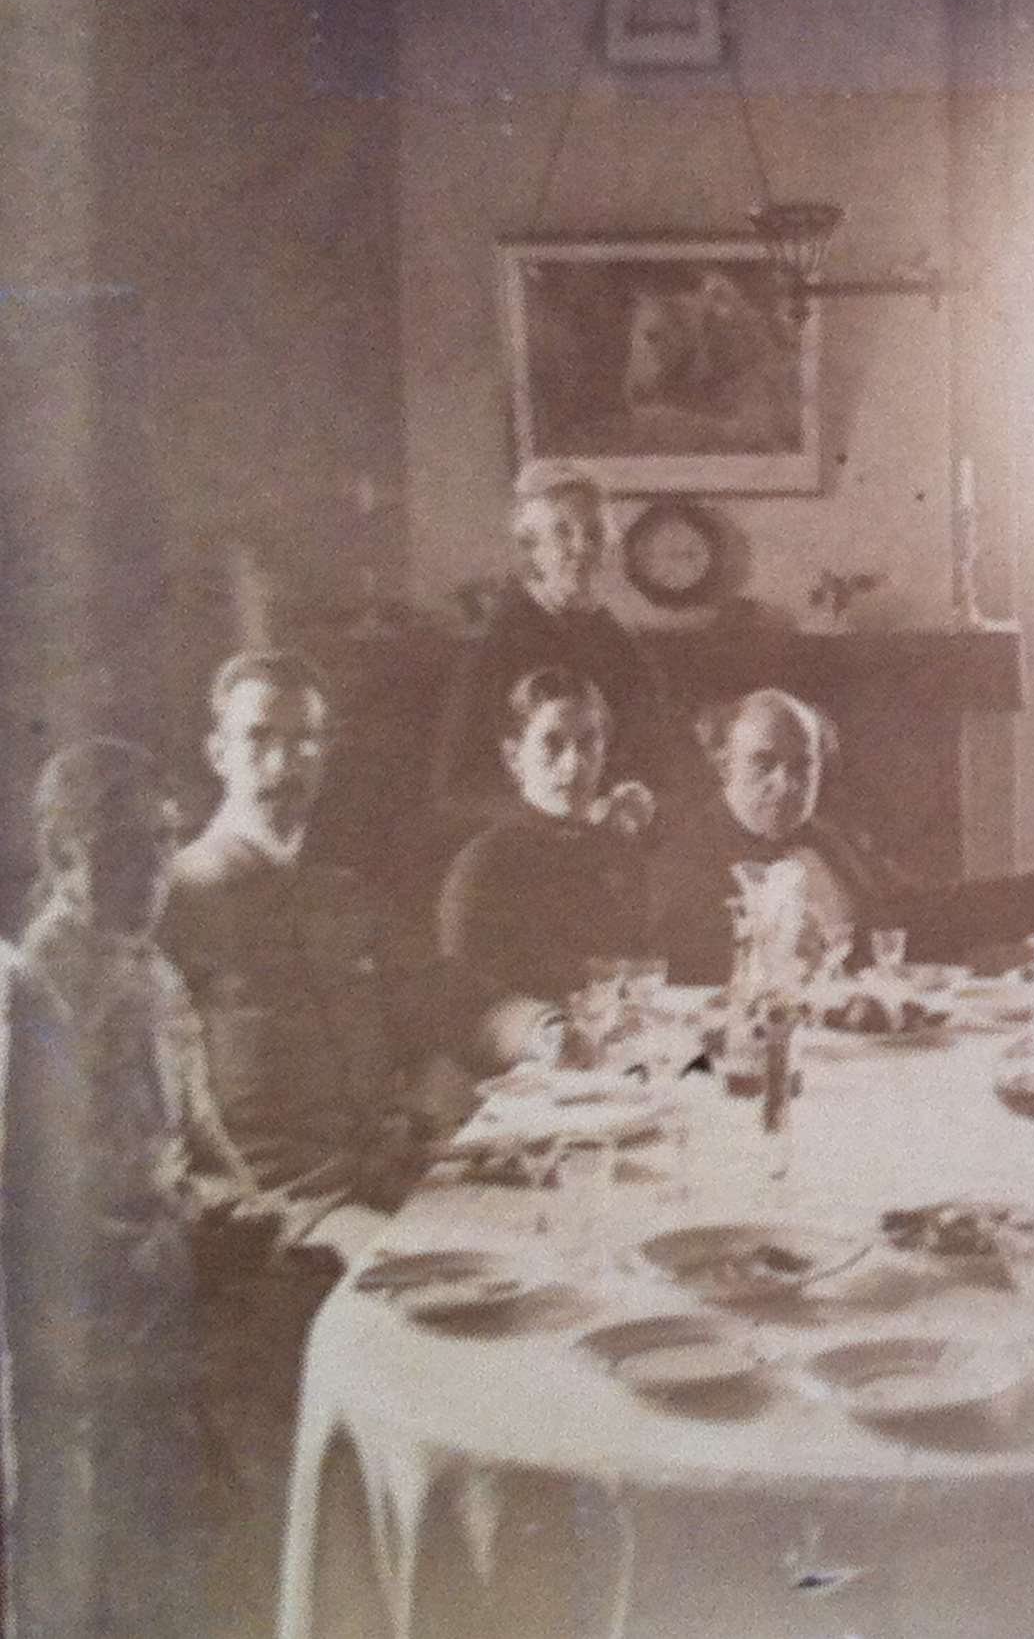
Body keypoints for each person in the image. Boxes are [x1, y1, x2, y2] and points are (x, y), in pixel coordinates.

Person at [0, 739, 257, 1639]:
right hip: (80, 1314)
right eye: (119, 848)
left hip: (163, 1282)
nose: (149, 870)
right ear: (64, 857)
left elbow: (203, 1130)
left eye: (162, 842)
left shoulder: (153, 971)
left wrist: (247, 1197)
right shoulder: (35, 995)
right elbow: (52, 1197)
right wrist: (186, 1219)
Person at [160, 650, 450, 1251]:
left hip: (384, 1178)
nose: (283, 763)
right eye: (259, 738)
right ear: (217, 753)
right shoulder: (176, 897)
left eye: (305, 741)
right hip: (281, 1211)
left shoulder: (338, 891)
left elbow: (432, 997)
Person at [431, 461, 674, 820]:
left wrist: (637, 795)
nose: (581, 548)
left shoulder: (620, 644)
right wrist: (572, 812)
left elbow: (656, 757)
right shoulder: (497, 644)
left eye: (593, 534)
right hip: (523, 835)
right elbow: (457, 788)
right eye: (562, 532)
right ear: (532, 548)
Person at [438, 666, 653, 1052]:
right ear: (513, 756)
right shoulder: (485, 863)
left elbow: (644, 968)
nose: (573, 765)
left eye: (588, 743)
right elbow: (462, 1007)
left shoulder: (619, 852)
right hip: (527, 1066)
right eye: (552, 744)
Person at [657, 688, 904, 984]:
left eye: (802, 766)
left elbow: (901, 916)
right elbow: (687, 970)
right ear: (724, 766)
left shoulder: (833, 842)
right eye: (764, 764)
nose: (786, 784)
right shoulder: (682, 857)